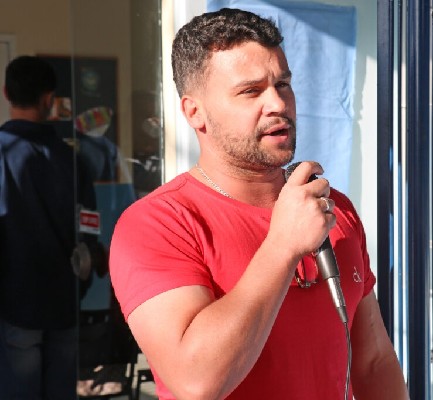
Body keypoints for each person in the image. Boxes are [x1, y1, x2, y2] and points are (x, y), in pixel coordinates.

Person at [109, 7, 409, 400]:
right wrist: (282, 246)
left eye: (283, 84)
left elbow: (373, 361)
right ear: (194, 112)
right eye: (251, 91)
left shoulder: (332, 207)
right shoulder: (158, 224)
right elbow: (197, 383)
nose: (278, 104)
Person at [0, 55, 79, 399]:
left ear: (6, 93)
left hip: (14, 300)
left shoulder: (4, 152)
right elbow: (88, 227)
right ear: (49, 99)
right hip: (63, 298)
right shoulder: (68, 157)